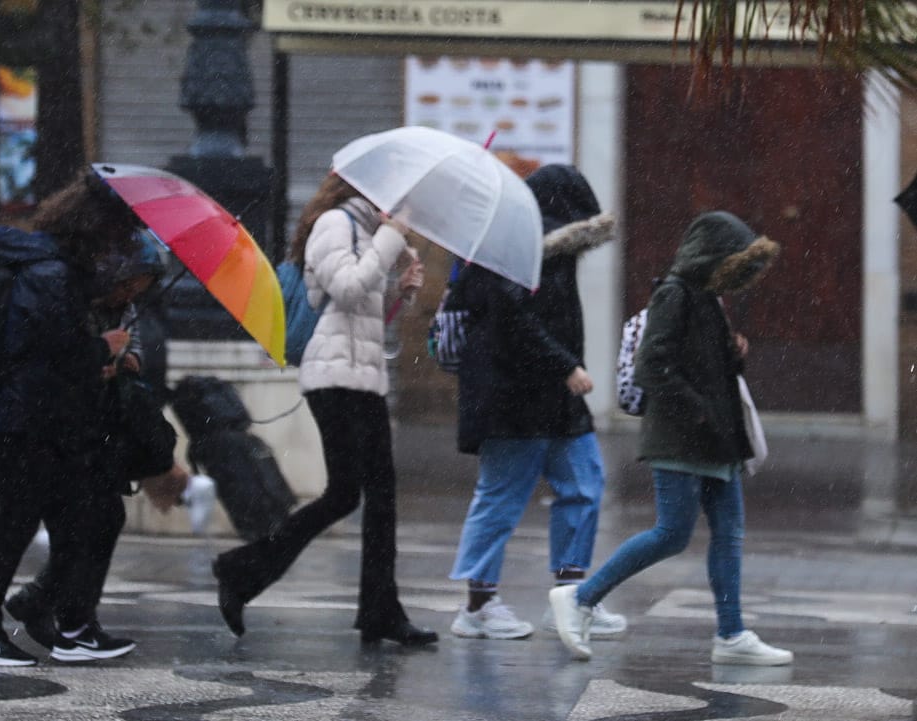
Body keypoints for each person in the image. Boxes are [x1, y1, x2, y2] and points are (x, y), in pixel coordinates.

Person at [549, 210, 793, 666]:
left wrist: (733, 354)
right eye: (736, 263)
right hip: (681, 441)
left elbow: (708, 368)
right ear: (713, 257)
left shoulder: (708, 299)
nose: (741, 276)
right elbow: (651, 366)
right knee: (670, 534)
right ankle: (580, 597)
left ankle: (732, 634)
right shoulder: (674, 294)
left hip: (717, 441)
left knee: (729, 534)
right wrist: (697, 410)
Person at [210, 173, 437, 646]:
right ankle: (242, 572)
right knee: (351, 494)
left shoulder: (368, 232)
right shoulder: (335, 224)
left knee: (367, 497)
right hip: (334, 380)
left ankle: (378, 610)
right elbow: (350, 289)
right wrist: (392, 240)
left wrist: (402, 290)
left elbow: (360, 314)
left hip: (362, 379)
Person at [0, 170, 142, 666]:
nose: (115, 249)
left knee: (73, 518)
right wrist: (103, 347)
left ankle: (71, 625)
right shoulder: (50, 274)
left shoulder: (48, 267)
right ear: (94, 228)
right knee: (16, 522)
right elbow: (46, 350)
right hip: (23, 418)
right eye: (113, 237)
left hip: (35, 415)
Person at [446, 164, 626, 641]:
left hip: (555, 399)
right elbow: (512, 321)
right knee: (502, 497)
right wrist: (565, 364)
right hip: (511, 399)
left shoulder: (553, 252)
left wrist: (563, 368)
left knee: (584, 486)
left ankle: (572, 597)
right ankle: (478, 604)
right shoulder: (512, 252)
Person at [2, 232, 169, 661]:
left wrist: (127, 363)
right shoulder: (77, 302)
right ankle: (71, 620)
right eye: (133, 280)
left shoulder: (124, 311)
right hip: (69, 429)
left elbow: (126, 361)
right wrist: (99, 362)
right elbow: (62, 361)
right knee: (83, 521)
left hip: (101, 429)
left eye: (145, 282)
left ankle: (53, 606)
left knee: (100, 518)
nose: (136, 290)